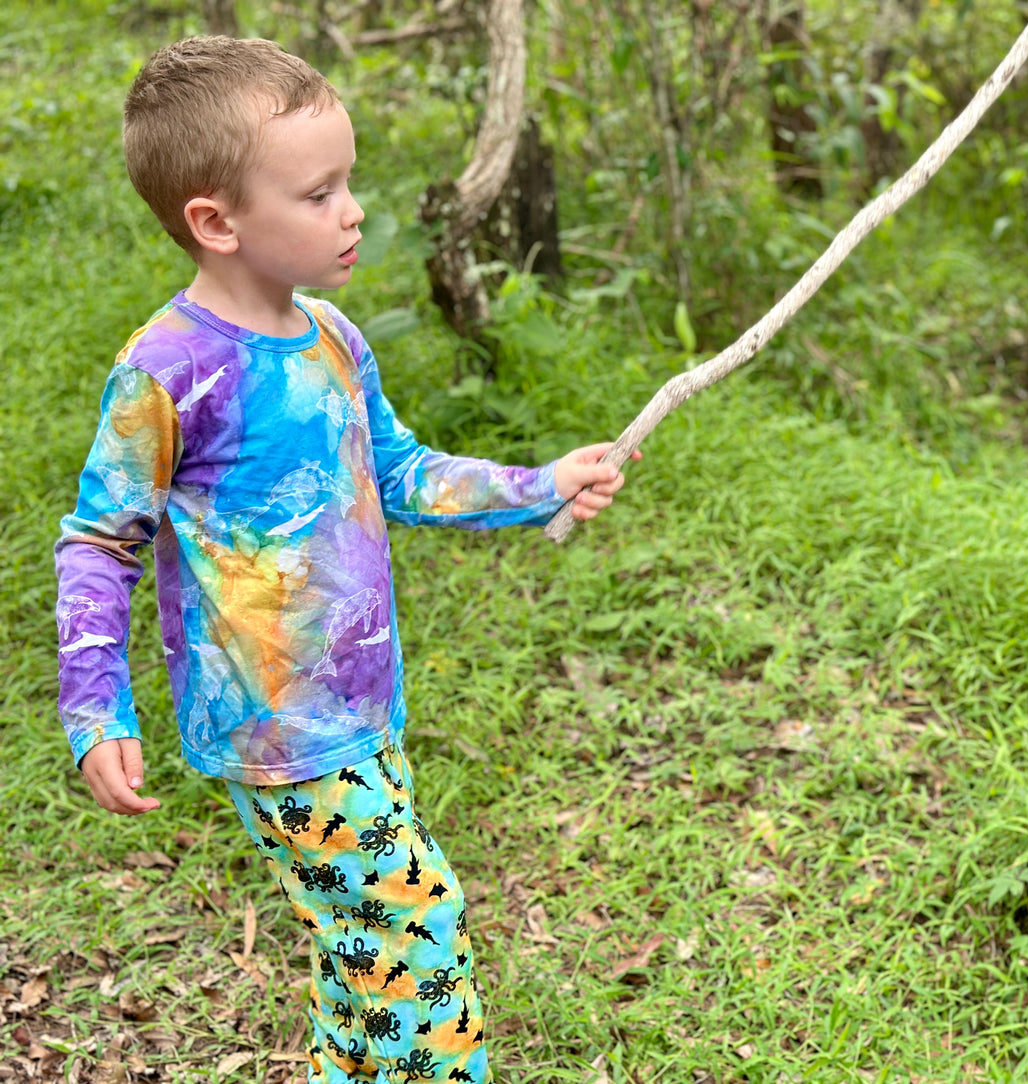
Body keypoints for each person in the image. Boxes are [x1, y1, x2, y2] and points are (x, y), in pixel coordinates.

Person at [55, 36, 634, 1083]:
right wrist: (95, 708)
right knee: (419, 926)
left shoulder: (331, 336)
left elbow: (403, 472)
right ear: (216, 222)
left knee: (355, 942)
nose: (353, 210)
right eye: (319, 193)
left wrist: (538, 482)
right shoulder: (169, 372)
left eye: (348, 183)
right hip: (276, 729)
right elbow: (101, 539)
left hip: (364, 704)